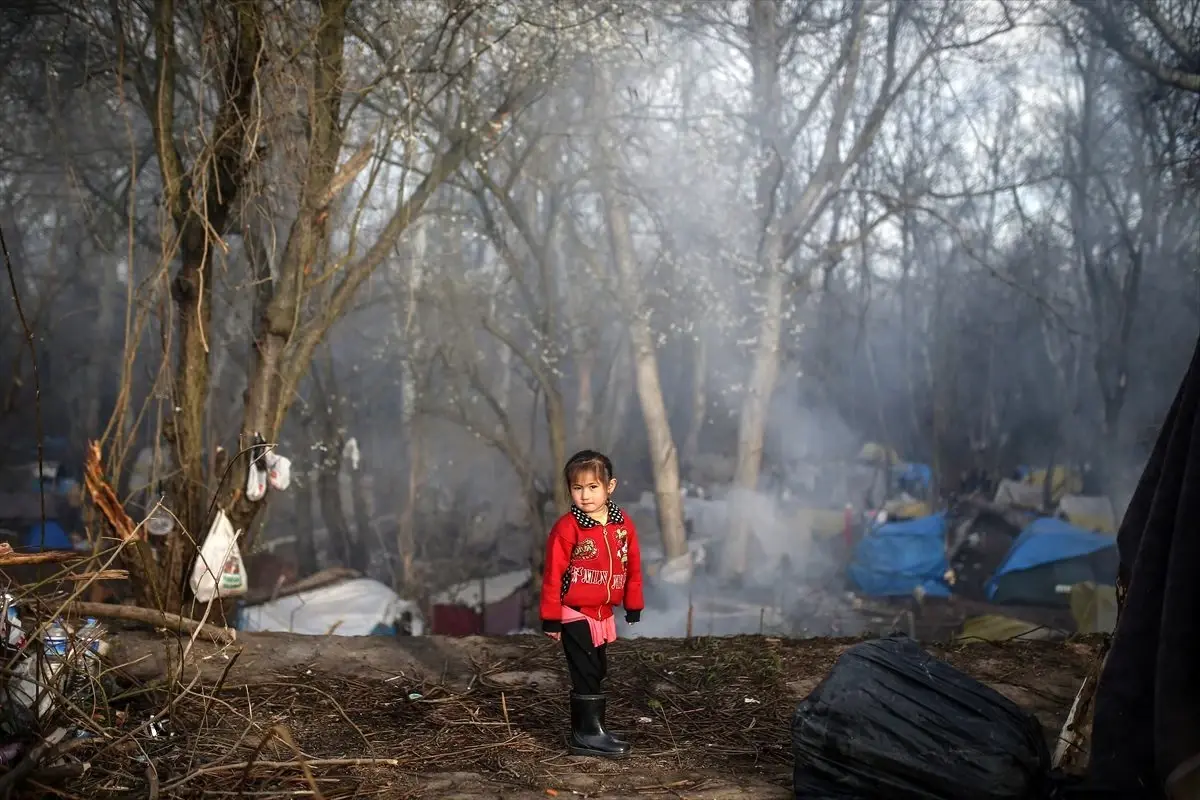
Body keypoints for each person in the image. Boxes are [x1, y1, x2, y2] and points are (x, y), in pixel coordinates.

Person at [541, 449, 643, 758]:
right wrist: (551, 618)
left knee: (598, 669)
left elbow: (633, 566)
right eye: (577, 488)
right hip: (574, 612)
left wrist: (633, 603)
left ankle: (590, 728)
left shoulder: (622, 524)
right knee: (584, 670)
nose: (585, 495)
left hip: (603, 612)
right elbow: (552, 575)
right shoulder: (567, 528)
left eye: (593, 487)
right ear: (570, 489)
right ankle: (586, 736)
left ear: (610, 486)